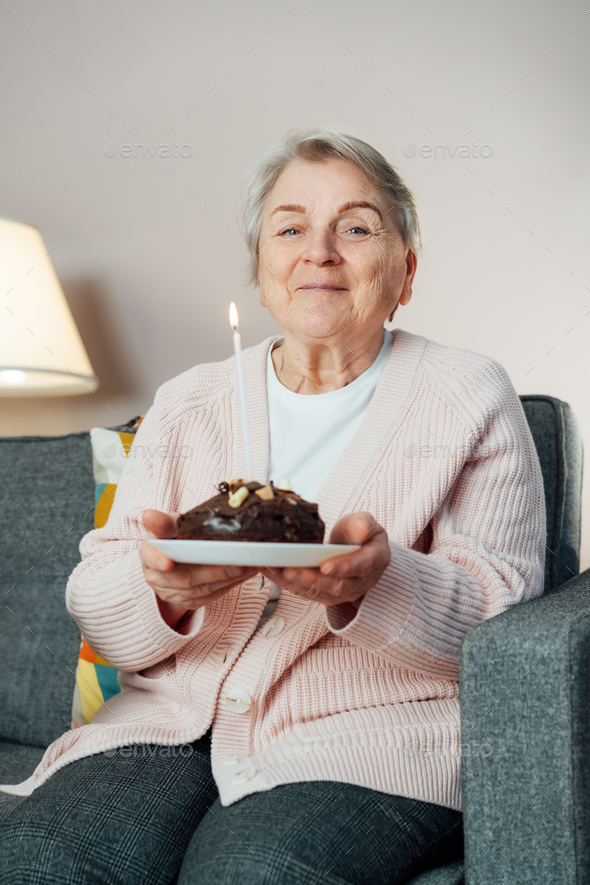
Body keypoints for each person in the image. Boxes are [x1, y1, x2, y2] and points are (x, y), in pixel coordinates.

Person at [0, 127, 546, 884]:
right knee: (39, 859)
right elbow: (95, 598)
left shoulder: (467, 395)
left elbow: (501, 619)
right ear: (262, 273)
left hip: (362, 743)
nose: (320, 251)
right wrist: (162, 589)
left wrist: (375, 585)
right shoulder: (189, 401)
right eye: (291, 228)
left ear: (406, 272)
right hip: (163, 727)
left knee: (256, 871)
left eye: (356, 227)